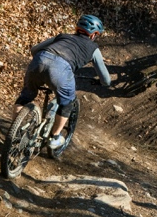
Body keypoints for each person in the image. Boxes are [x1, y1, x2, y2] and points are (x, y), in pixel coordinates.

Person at [13, 14, 112, 151]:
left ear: (77, 28)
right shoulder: (93, 48)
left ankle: (14, 133)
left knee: (25, 97)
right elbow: (106, 80)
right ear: (94, 34)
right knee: (67, 103)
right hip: (60, 70)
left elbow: (34, 49)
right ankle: (55, 137)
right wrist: (102, 83)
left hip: (40, 60)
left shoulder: (62, 36)